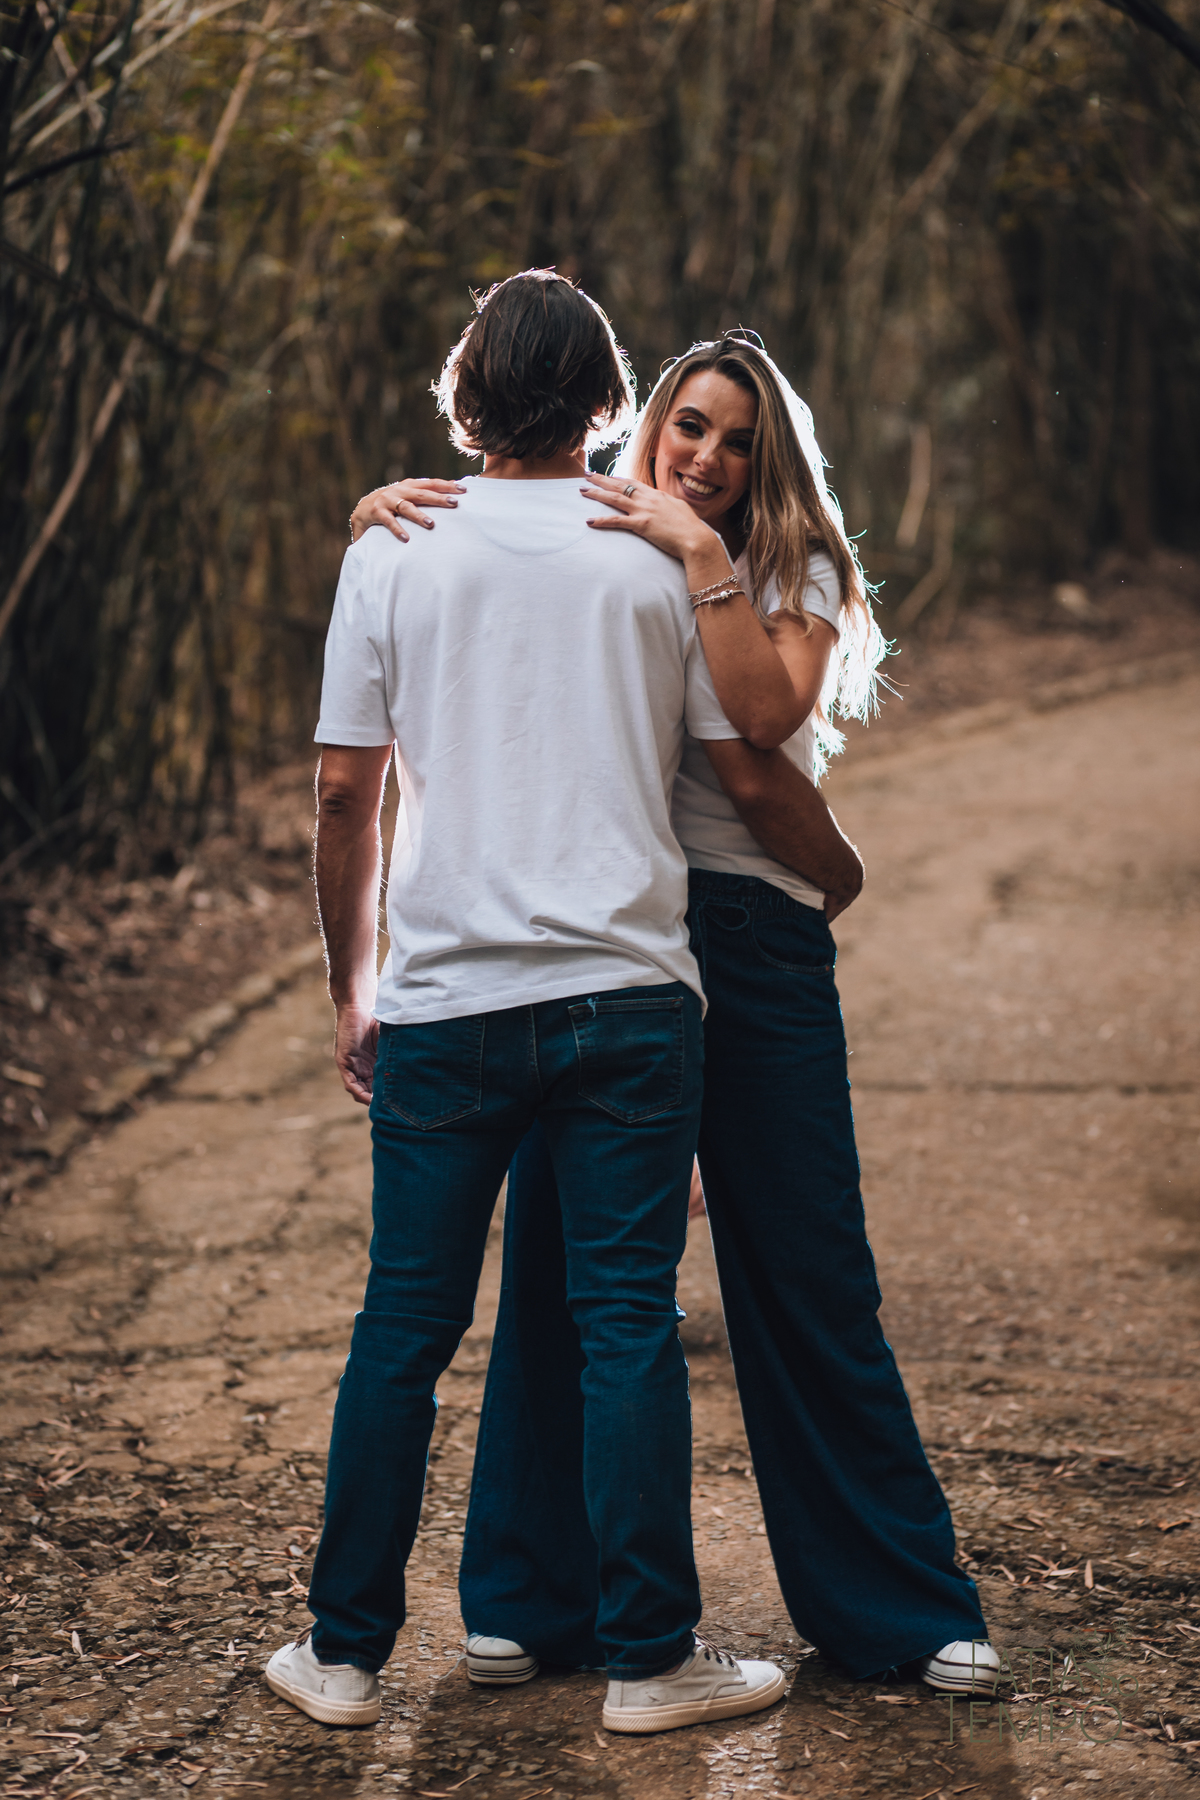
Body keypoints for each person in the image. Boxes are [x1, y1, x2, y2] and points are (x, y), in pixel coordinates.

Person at [349, 333, 1000, 1698]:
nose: (706, 457)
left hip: (747, 937)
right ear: (640, 427)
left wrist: (828, 871)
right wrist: (381, 506)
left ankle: (898, 1609)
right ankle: (528, 1604)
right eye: (687, 427)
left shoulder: (789, 565)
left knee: (805, 1270)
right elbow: (483, 584)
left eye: (738, 441)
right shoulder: (601, 536)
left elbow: (762, 742)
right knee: (562, 1289)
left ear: (771, 464)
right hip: (606, 947)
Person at [263, 274, 826, 1736]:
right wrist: (835, 876)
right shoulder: (652, 556)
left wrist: (356, 989)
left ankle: (342, 1656)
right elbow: (736, 763)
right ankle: (648, 1663)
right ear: (608, 403)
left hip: (447, 1001)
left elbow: (344, 793)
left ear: (465, 390)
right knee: (627, 1325)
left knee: (404, 1327)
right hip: (630, 998)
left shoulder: (394, 547)